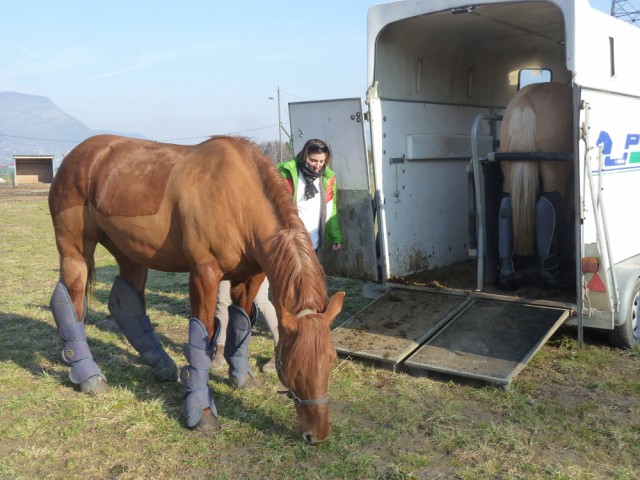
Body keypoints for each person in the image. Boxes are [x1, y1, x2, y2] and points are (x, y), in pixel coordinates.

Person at [214, 138, 344, 373]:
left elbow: (330, 208)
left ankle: (293, 347)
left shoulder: (327, 178)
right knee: (251, 297)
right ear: (304, 156)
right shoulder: (285, 173)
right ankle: (225, 349)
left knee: (295, 301)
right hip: (280, 246)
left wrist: (334, 236)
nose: (317, 165)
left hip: (307, 248)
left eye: (321, 161)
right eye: (313, 160)